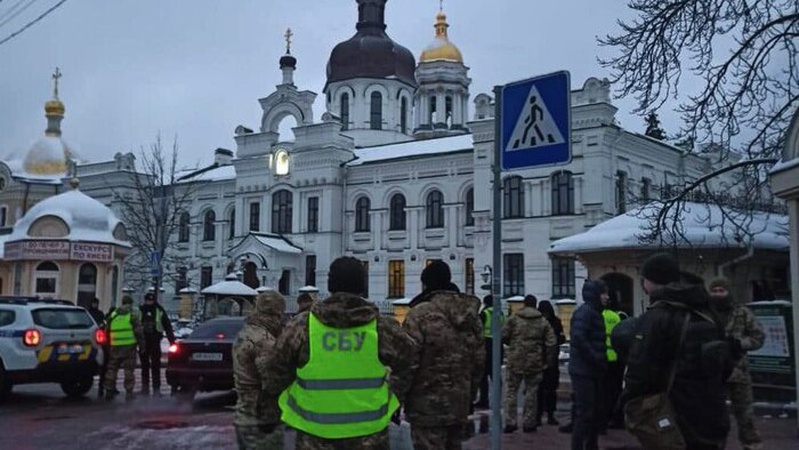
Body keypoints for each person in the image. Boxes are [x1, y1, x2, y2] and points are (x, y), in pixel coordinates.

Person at [263, 256, 416, 450]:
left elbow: (274, 374)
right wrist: (394, 397)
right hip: (369, 434)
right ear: (362, 285)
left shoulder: (302, 326)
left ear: (329, 284)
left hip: (314, 434)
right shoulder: (381, 327)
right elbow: (410, 362)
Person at [622, 253, 730, 449]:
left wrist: (628, 402)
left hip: (673, 415)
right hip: (712, 411)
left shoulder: (658, 316)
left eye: (644, 278)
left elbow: (641, 370)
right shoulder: (708, 312)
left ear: (652, 280)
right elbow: (726, 362)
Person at [403, 260, 484, 449]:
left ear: (427, 284)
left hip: (426, 410)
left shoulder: (419, 315)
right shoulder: (471, 317)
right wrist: (469, 396)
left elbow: (407, 362)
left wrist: (396, 399)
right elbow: (479, 363)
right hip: (459, 406)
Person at [709, 276, 764, 450]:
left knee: (745, 415)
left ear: (728, 292)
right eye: (714, 291)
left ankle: (751, 445)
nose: (718, 294)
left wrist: (740, 343)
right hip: (714, 371)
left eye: (721, 291)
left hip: (738, 369)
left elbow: (758, 337)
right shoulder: (705, 313)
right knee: (714, 415)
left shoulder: (741, 312)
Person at [234, 290, 286, 450]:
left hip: (244, 414)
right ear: (275, 313)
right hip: (262, 419)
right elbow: (273, 382)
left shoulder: (246, 332)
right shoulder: (264, 341)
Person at [501, 294, 556, 434]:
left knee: (511, 391)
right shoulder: (542, 321)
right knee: (532, 391)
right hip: (534, 360)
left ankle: (510, 422)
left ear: (524, 304)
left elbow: (503, 335)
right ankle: (529, 423)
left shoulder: (514, 318)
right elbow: (551, 342)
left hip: (515, 359)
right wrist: (548, 361)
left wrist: (512, 344)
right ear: (535, 304)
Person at [569, 280, 608, 450]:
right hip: (584, 370)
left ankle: (591, 445)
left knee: (593, 413)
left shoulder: (594, 312)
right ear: (595, 295)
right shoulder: (585, 312)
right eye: (604, 293)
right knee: (585, 413)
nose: (607, 297)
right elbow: (579, 338)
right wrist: (596, 358)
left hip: (591, 370)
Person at [104, 295, 143, 400]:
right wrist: (142, 346)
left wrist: (108, 344)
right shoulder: (132, 316)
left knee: (112, 369)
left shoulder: (113, 315)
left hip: (115, 346)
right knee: (129, 370)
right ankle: (129, 392)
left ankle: (109, 390)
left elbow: (106, 331)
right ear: (130, 304)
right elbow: (139, 332)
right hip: (129, 347)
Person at [139, 292, 176, 395]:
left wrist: (171, 341)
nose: (149, 302)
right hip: (144, 342)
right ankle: (145, 388)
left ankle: (156, 389)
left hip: (155, 341)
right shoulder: (141, 310)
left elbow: (167, 325)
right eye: (148, 300)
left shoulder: (159, 310)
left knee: (155, 366)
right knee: (145, 366)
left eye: (151, 300)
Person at [537, 300, 566, 426]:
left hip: (551, 360)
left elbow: (561, 337)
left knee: (551, 389)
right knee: (539, 389)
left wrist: (556, 340)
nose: (545, 315)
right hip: (539, 359)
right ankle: (538, 415)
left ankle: (550, 414)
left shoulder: (555, 322)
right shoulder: (538, 322)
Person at [475, 294, 503, 409]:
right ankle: (497, 399)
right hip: (498, 345)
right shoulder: (500, 313)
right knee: (496, 375)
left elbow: (477, 330)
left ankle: (484, 400)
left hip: (486, 345)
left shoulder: (484, 313)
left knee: (483, 376)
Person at [601, 295, 623, 432]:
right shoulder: (616, 317)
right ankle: (616, 417)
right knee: (615, 389)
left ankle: (604, 418)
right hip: (616, 357)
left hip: (603, 357)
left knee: (603, 391)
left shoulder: (600, 316)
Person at [87, 298, 108, 397]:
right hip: (93, 340)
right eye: (94, 303)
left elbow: (104, 324)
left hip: (99, 340)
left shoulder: (98, 314)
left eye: (96, 303)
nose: (95, 305)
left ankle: (102, 386)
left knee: (104, 365)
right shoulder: (89, 313)